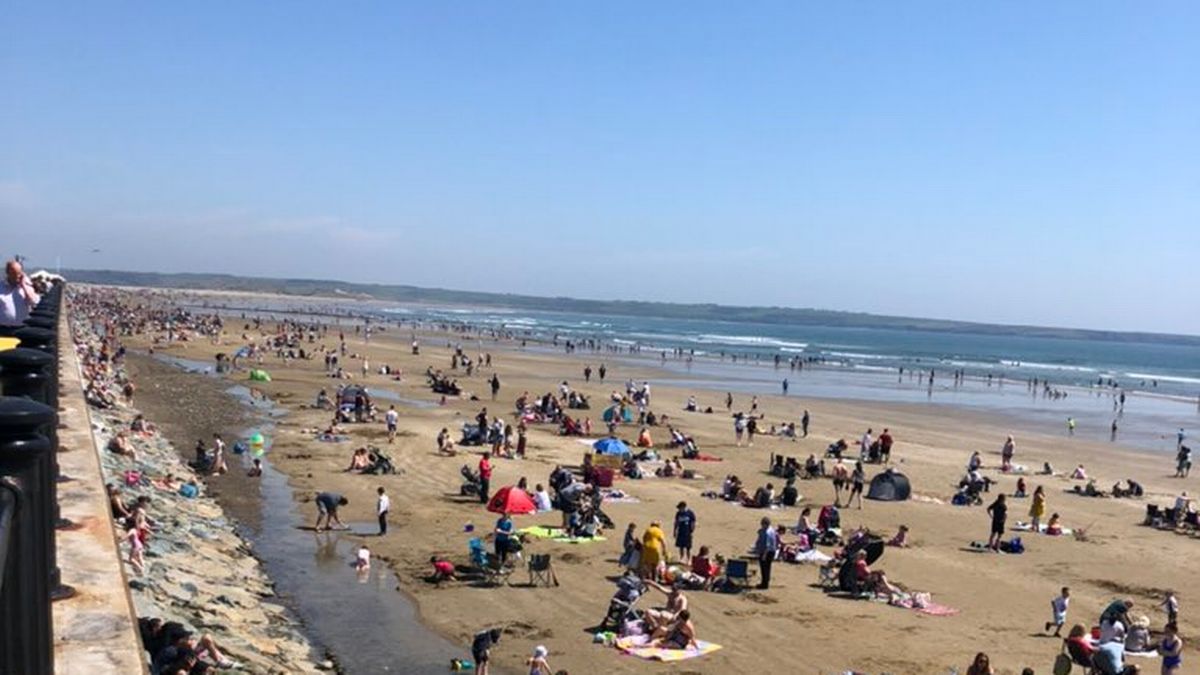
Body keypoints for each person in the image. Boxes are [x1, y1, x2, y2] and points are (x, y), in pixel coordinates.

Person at [0, 260, 40, 328]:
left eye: (18, 273)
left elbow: (34, 302)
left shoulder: (27, 287)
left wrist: (23, 285)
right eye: (13, 273)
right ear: (7, 273)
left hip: (22, 328)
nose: (17, 276)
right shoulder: (1, 286)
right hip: (2, 328)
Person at [754, 516, 779, 590]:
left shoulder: (767, 532)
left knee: (764, 568)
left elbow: (767, 546)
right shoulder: (771, 530)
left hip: (767, 552)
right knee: (767, 568)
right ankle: (765, 582)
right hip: (770, 551)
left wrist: (764, 555)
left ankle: (764, 584)